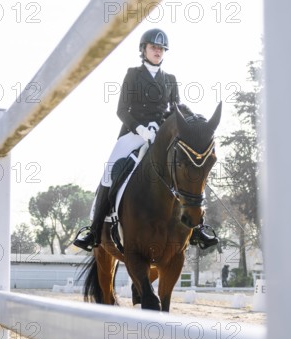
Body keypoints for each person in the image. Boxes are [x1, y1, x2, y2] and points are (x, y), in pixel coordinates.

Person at [73, 28, 219, 252]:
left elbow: (176, 109)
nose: (157, 51)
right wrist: (141, 129)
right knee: (110, 170)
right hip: (134, 133)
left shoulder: (170, 79)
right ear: (144, 50)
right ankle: (93, 231)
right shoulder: (132, 74)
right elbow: (122, 110)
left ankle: (198, 228)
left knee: (192, 168)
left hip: (162, 136)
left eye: (161, 49)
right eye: (153, 47)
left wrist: (192, 122)